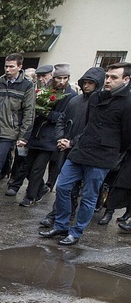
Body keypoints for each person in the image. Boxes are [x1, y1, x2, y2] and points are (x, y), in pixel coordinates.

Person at [39, 62, 131, 245]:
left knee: (89, 197)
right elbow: (88, 123)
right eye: (107, 76)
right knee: (63, 187)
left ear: (126, 80)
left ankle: (76, 231)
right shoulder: (96, 97)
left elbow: (127, 136)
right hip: (80, 150)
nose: (108, 80)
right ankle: (61, 224)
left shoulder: (128, 103)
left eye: (114, 77)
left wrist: (112, 152)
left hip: (102, 157)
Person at [39, 66, 106, 228]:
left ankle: (68, 217)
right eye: (85, 82)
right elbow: (62, 119)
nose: (87, 86)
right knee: (64, 186)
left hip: (85, 150)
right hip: (67, 147)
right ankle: (58, 214)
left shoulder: (99, 104)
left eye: (91, 83)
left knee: (81, 190)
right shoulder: (75, 100)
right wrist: (61, 138)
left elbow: (92, 127)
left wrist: (72, 142)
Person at [7, 63, 76, 206]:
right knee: (27, 166)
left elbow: (65, 117)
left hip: (51, 139)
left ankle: (30, 196)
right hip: (36, 135)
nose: (61, 81)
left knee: (38, 169)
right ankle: (42, 187)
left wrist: (47, 113)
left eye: (65, 78)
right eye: (59, 78)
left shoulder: (71, 95)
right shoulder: (45, 91)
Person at [0, 53, 35, 204]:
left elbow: (29, 112)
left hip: (9, 132)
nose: (7, 69)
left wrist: (23, 136)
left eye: (11, 67)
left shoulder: (26, 86)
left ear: (20, 67)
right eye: (6, 66)